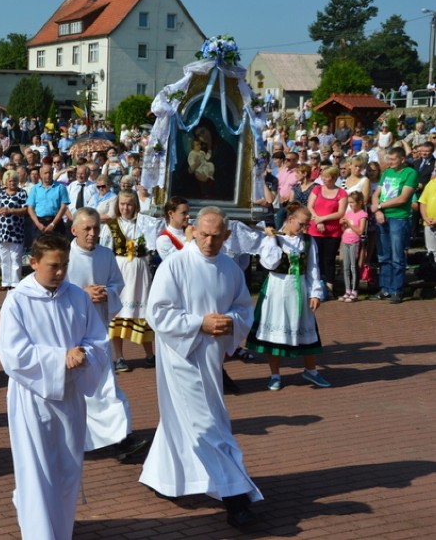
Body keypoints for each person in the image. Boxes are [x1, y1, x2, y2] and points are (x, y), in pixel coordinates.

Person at [138, 206, 262, 530]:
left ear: (227, 236)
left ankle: (163, 476)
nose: (209, 241)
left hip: (210, 357)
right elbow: (157, 312)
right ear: (192, 230)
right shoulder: (175, 265)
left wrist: (230, 322)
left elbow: (242, 309)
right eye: (204, 234)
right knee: (206, 423)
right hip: (180, 356)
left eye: (216, 236)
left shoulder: (231, 268)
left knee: (184, 419)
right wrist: (199, 323)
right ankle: (236, 500)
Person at [0, 233, 109, 540]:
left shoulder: (77, 297)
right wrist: (60, 358)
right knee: (37, 471)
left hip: (70, 396)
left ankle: (61, 528)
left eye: (65, 265)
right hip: (32, 398)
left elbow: (97, 338)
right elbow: (12, 355)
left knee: (66, 468)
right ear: (33, 263)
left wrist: (85, 354)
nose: (60, 273)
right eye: (53, 266)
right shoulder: (18, 300)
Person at [68, 208, 148, 461]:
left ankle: (122, 439)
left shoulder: (105, 254)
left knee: (107, 387)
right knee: (79, 392)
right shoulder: (65, 256)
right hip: (72, 335)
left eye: (96, 228)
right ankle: (81, 439)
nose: (92, 234)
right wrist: (83, 294)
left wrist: (107, 293)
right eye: (87, 229)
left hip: (99, 330)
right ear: (74, 230)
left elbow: (117, 283)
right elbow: (55, 289)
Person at [246, 203, 329, 389]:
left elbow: (313, 269)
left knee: (307, 330)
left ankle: (311, 371)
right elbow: (270, 264)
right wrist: (272, 239)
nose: (305, 228)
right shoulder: (273, 239)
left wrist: (315, 293)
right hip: (277, 288)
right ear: (290, 220)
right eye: (302, 224)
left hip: (299, 288)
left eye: (307, 225)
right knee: (274, 333)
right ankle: (275, 375)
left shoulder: (308, 241)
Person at [100, 189, 155, 372]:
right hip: (119, 270)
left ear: (136, 205)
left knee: (142, 311)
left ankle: (149, 354)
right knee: (118, 312)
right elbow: (105, 251)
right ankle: (119, 357)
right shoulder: (111, 225)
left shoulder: (143, 223)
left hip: (140, 272)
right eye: (122, 204)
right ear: (117, 205)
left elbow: (151, 245)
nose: (125, 208)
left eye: (129, 204)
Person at [369, 147, 418, 303]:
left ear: (402, 159)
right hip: (382, 218)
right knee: (384, 256)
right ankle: (385, 288)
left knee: (397, 256)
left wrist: (380, 206)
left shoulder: (410, 173)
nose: (389, 162)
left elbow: (403, 198)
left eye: (392, 159)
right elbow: (376, 194)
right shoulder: (387, 173)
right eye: (388, 159)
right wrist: (377, 211)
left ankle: (397, 289)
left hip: (399, 218)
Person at [307, 165, 348, 299]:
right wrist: (318, 222)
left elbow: (340, 212)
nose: (324, 179)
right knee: (315, 259)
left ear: (334, 177)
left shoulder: (341, 193)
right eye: (322, 176)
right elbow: (310, 206)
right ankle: (314, 286)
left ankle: (329, 287)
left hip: (332, 232)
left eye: (327, 177)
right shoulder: (317, 189)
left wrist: (323, 219)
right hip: (315, 229)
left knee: (329, 259)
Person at [0, 170, 28, 290]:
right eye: (10, 180)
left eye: (15, 180)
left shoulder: (22, 193)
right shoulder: (0, 193)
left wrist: (11, 211)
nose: (12, 183)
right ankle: (5, 282)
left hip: (16, 231)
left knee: (15, 258)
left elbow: (26, 210)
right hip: (2, 231)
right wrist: (0, 211)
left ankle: (15, 283)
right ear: (6, 181)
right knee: (4, 258)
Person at [338, 191, 368, 302]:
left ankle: (354, 291)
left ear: (359, 202)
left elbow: (360, 231)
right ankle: (347, 290)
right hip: (345, 240)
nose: (350, 205)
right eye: (349, 202)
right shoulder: (349, 213)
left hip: (355, 242)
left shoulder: (362, 215)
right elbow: (343, 227)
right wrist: (343, 224)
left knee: (353, 267)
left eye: (352, 202)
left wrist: (349, 224)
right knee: (345, 267)